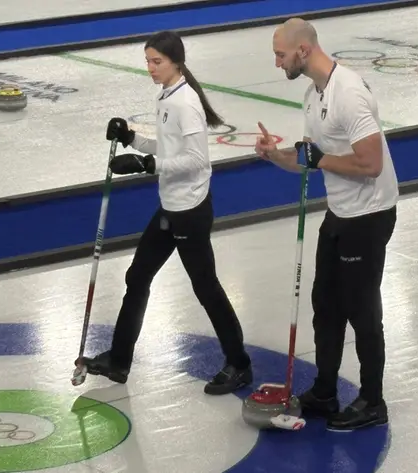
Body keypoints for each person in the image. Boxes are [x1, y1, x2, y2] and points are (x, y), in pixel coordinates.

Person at [80, 30, 253, 396]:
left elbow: (195, 160)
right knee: (137, 276)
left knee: (206, 287)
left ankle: (239, 363)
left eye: (157, 61)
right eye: (147, 61)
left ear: (176, 61)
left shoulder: (185, 102)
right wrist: (131, 138)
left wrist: (147, 164)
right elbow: (168, 146)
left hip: (189, 209)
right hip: (171, 205)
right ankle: (120, 360)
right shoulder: (167, 96)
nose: (151, 68)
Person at [255, 18, 399, 431]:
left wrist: (318, 160)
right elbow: (310, 159)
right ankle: (324, 391)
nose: (277, 63)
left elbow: (371, 164)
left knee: (362, 310)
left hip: (369, 215)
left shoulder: (348, 93)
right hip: (340, 212)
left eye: (280, 55)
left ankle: (373, 400)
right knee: (325, 306)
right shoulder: (311, 95)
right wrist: (275, 155)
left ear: (303, 50)